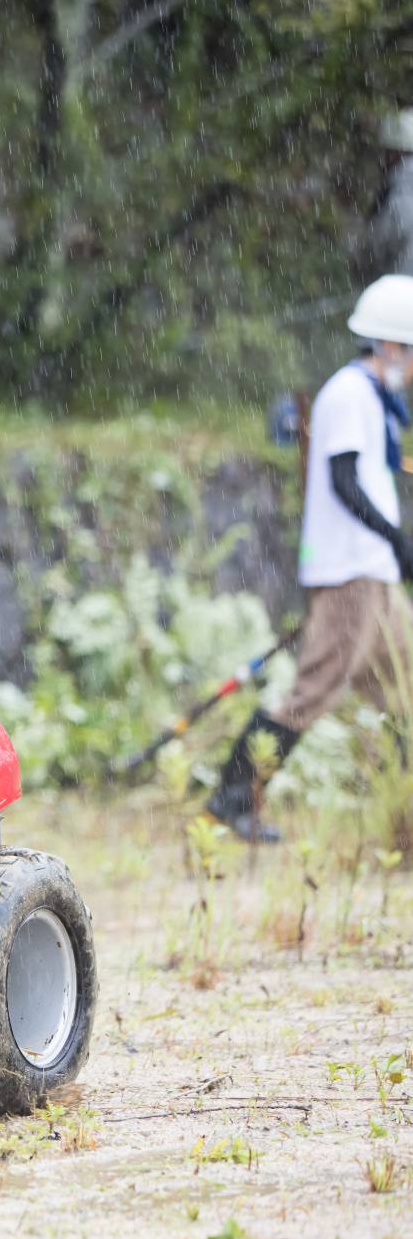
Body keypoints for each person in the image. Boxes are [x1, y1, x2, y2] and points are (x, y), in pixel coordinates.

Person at [208, 275, 413, 841]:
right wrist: (395, 538)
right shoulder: (349, 393)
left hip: (374, 570)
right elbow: (344, 481)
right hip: (352, 572)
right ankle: (233, 797)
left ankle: (402, 811)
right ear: (391, 347)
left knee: (402, 690)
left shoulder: (375, 400)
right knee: (313, 693)